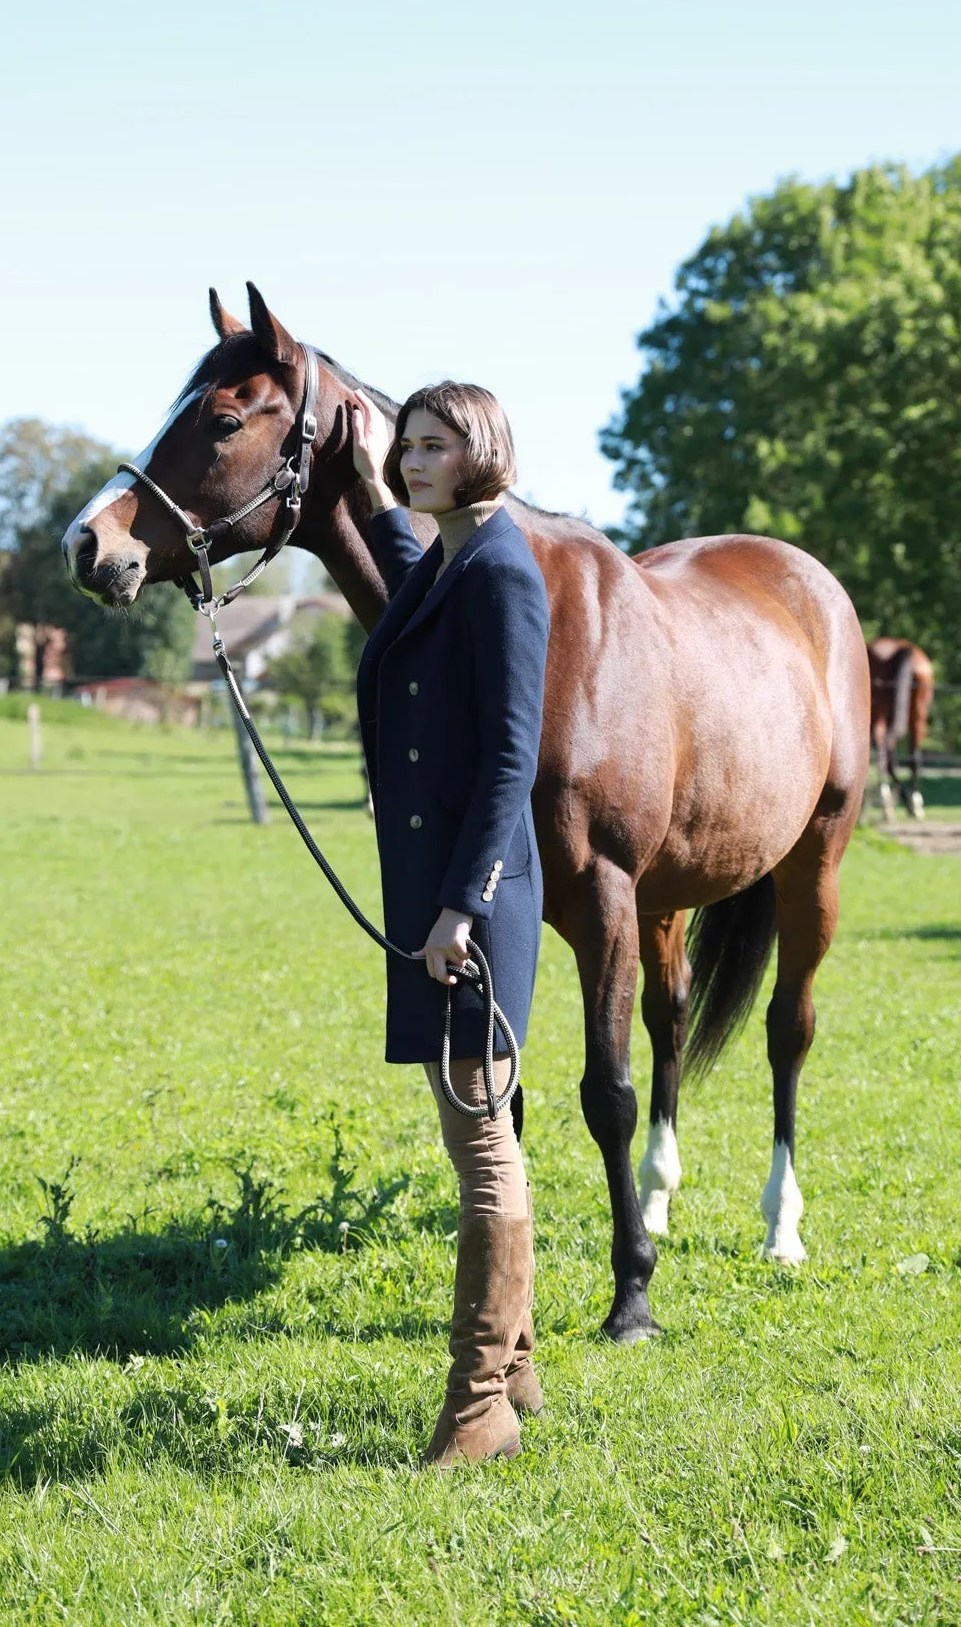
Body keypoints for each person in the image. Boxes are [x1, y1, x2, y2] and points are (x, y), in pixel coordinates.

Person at [350, 382, 551, 1466]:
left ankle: (479, 1409)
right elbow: (400, 554)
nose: (414, 459)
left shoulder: (504, 572)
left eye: (435, 445)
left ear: (482, 451)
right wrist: (357, 457)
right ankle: (513, 1373)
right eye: (407, 444)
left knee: (481, 1134)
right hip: (432, 899)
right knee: (473, 1124)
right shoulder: (444, 559)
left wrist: (461, 906)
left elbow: (511, 759)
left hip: (468, 906)